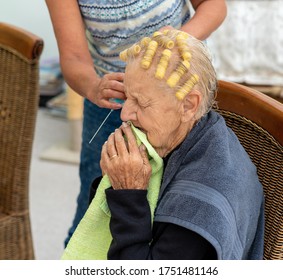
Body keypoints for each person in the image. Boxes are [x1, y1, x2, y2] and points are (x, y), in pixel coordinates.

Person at [62, 29, 264, 260]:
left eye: (140, 102)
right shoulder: (196, 131)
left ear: (189, 105)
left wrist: (128, 194)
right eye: (127, 97)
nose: (125, 114)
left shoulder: (199, 205)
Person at [45, 0, 227, 247]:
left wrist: (177, 39)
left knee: (176, 192)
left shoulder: (186, 105)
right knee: (96, 197)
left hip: (174, 98)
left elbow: (214, 6)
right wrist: (93, 86)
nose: (128, 117)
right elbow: (74, 57)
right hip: (109, 101)